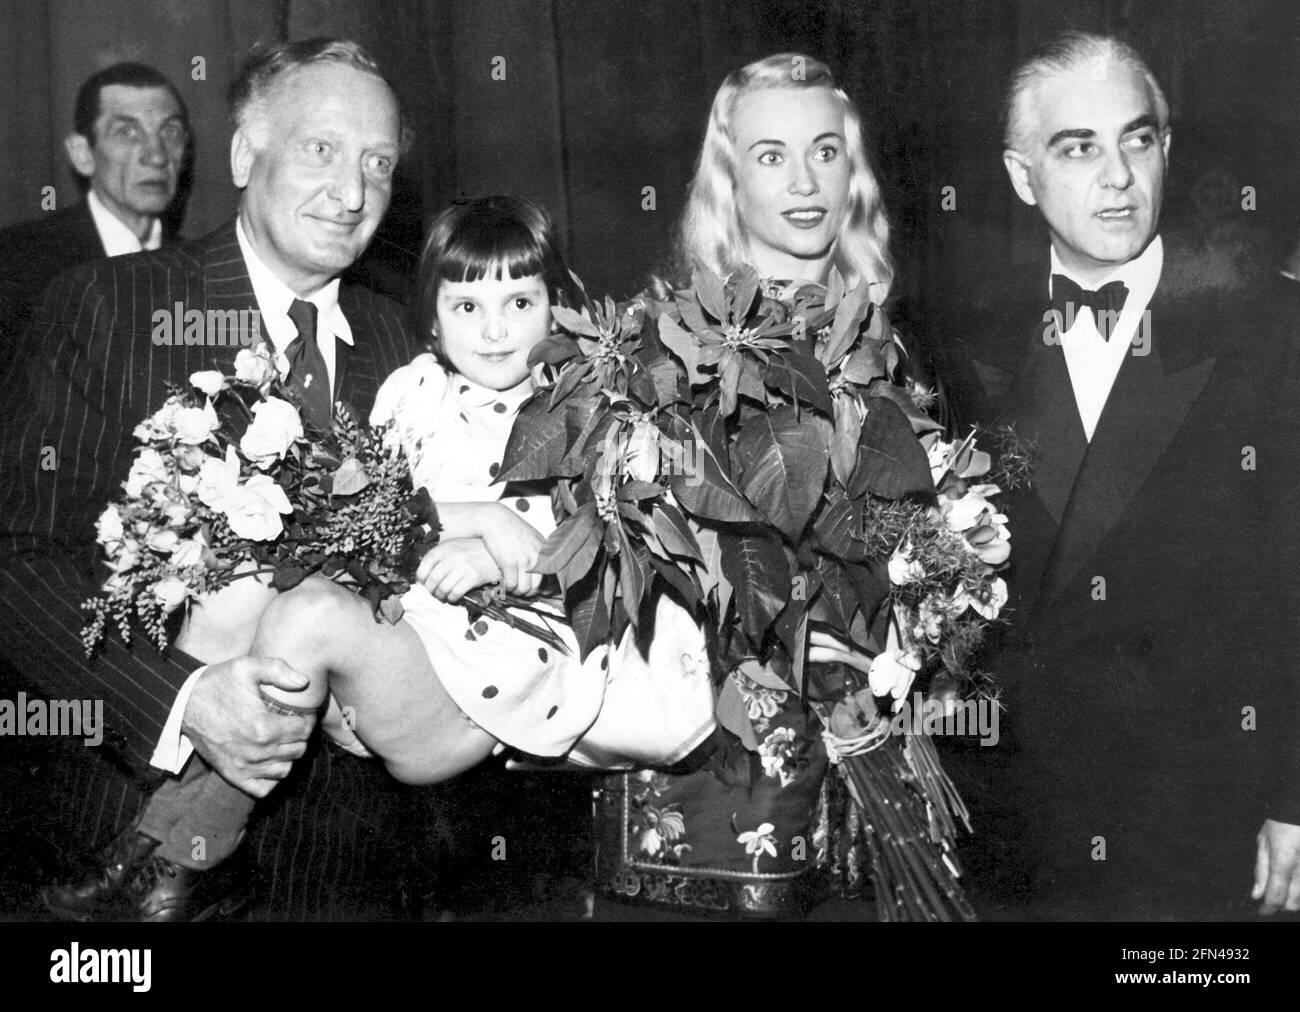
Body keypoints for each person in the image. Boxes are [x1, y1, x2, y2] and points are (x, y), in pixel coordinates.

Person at [48, 195, 718, 914]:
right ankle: (158, 844)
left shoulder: (594, 409)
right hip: (401, 643)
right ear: (431, 317)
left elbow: (629, 552)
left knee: (306, 618)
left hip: (491, 686)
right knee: (237, 588)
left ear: (558, 307)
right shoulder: (412, 392)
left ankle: (190, 862)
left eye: (519, 302)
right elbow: (362, 517)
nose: (494, 331)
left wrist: (504, 559)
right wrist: (448, 523)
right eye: (466, 308)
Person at [1, 37, 415, 921]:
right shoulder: (107, 307)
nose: (352, 193)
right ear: (242, 154)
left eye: (377, 163)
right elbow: (18, 561)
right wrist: (184, 701)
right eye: (322, 150)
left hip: (349, 864)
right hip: (124, 847)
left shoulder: (406, 344)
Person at [946, 31, 1300, 919]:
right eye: (1078, 147)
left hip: (1198, 817)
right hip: (1008, 829)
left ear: (1167, 149)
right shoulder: (963, 335)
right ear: (1022, 176)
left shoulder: (1270, 330)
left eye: (1137, 140)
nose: (1117, 176)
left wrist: (1295, 797)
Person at [595, 53, 908, 919]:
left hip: (851, 801)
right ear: (731, 178)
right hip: (701, 809)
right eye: (771, 156)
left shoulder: (895, 352)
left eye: (827, 151)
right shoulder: (668, 344)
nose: (806, 182)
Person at [0, 62, 189, 352]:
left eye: (170, 131)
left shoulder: (198, 266)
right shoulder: (17, 263)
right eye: (128, 132)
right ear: (82, 154)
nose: (156, 156)